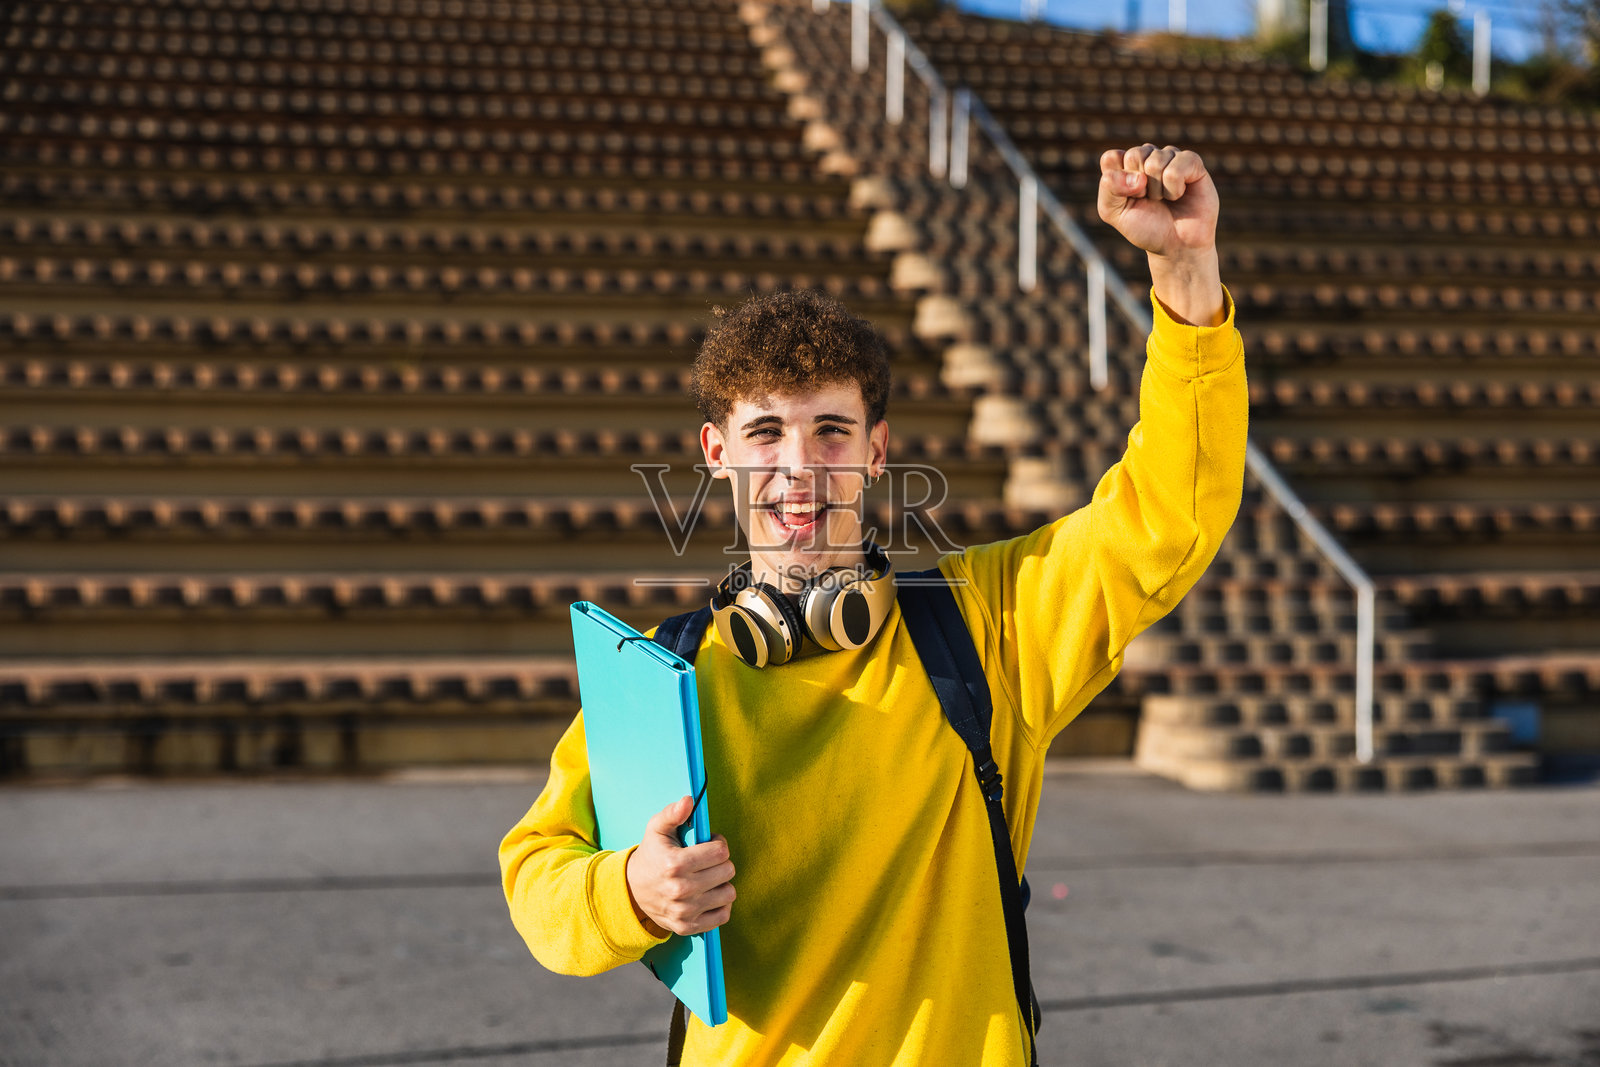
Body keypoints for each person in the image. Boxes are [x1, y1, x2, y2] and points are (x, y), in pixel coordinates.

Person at [499, 143, 1247, 1065]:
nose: (801, 468)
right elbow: (538, 871)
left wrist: (1183, 272)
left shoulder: (990, 627)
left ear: (879, 450)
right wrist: (631, 894)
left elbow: (1168, 517)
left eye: (832, 431)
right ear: (715, 453)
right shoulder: (664, 674)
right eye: (766, 431)